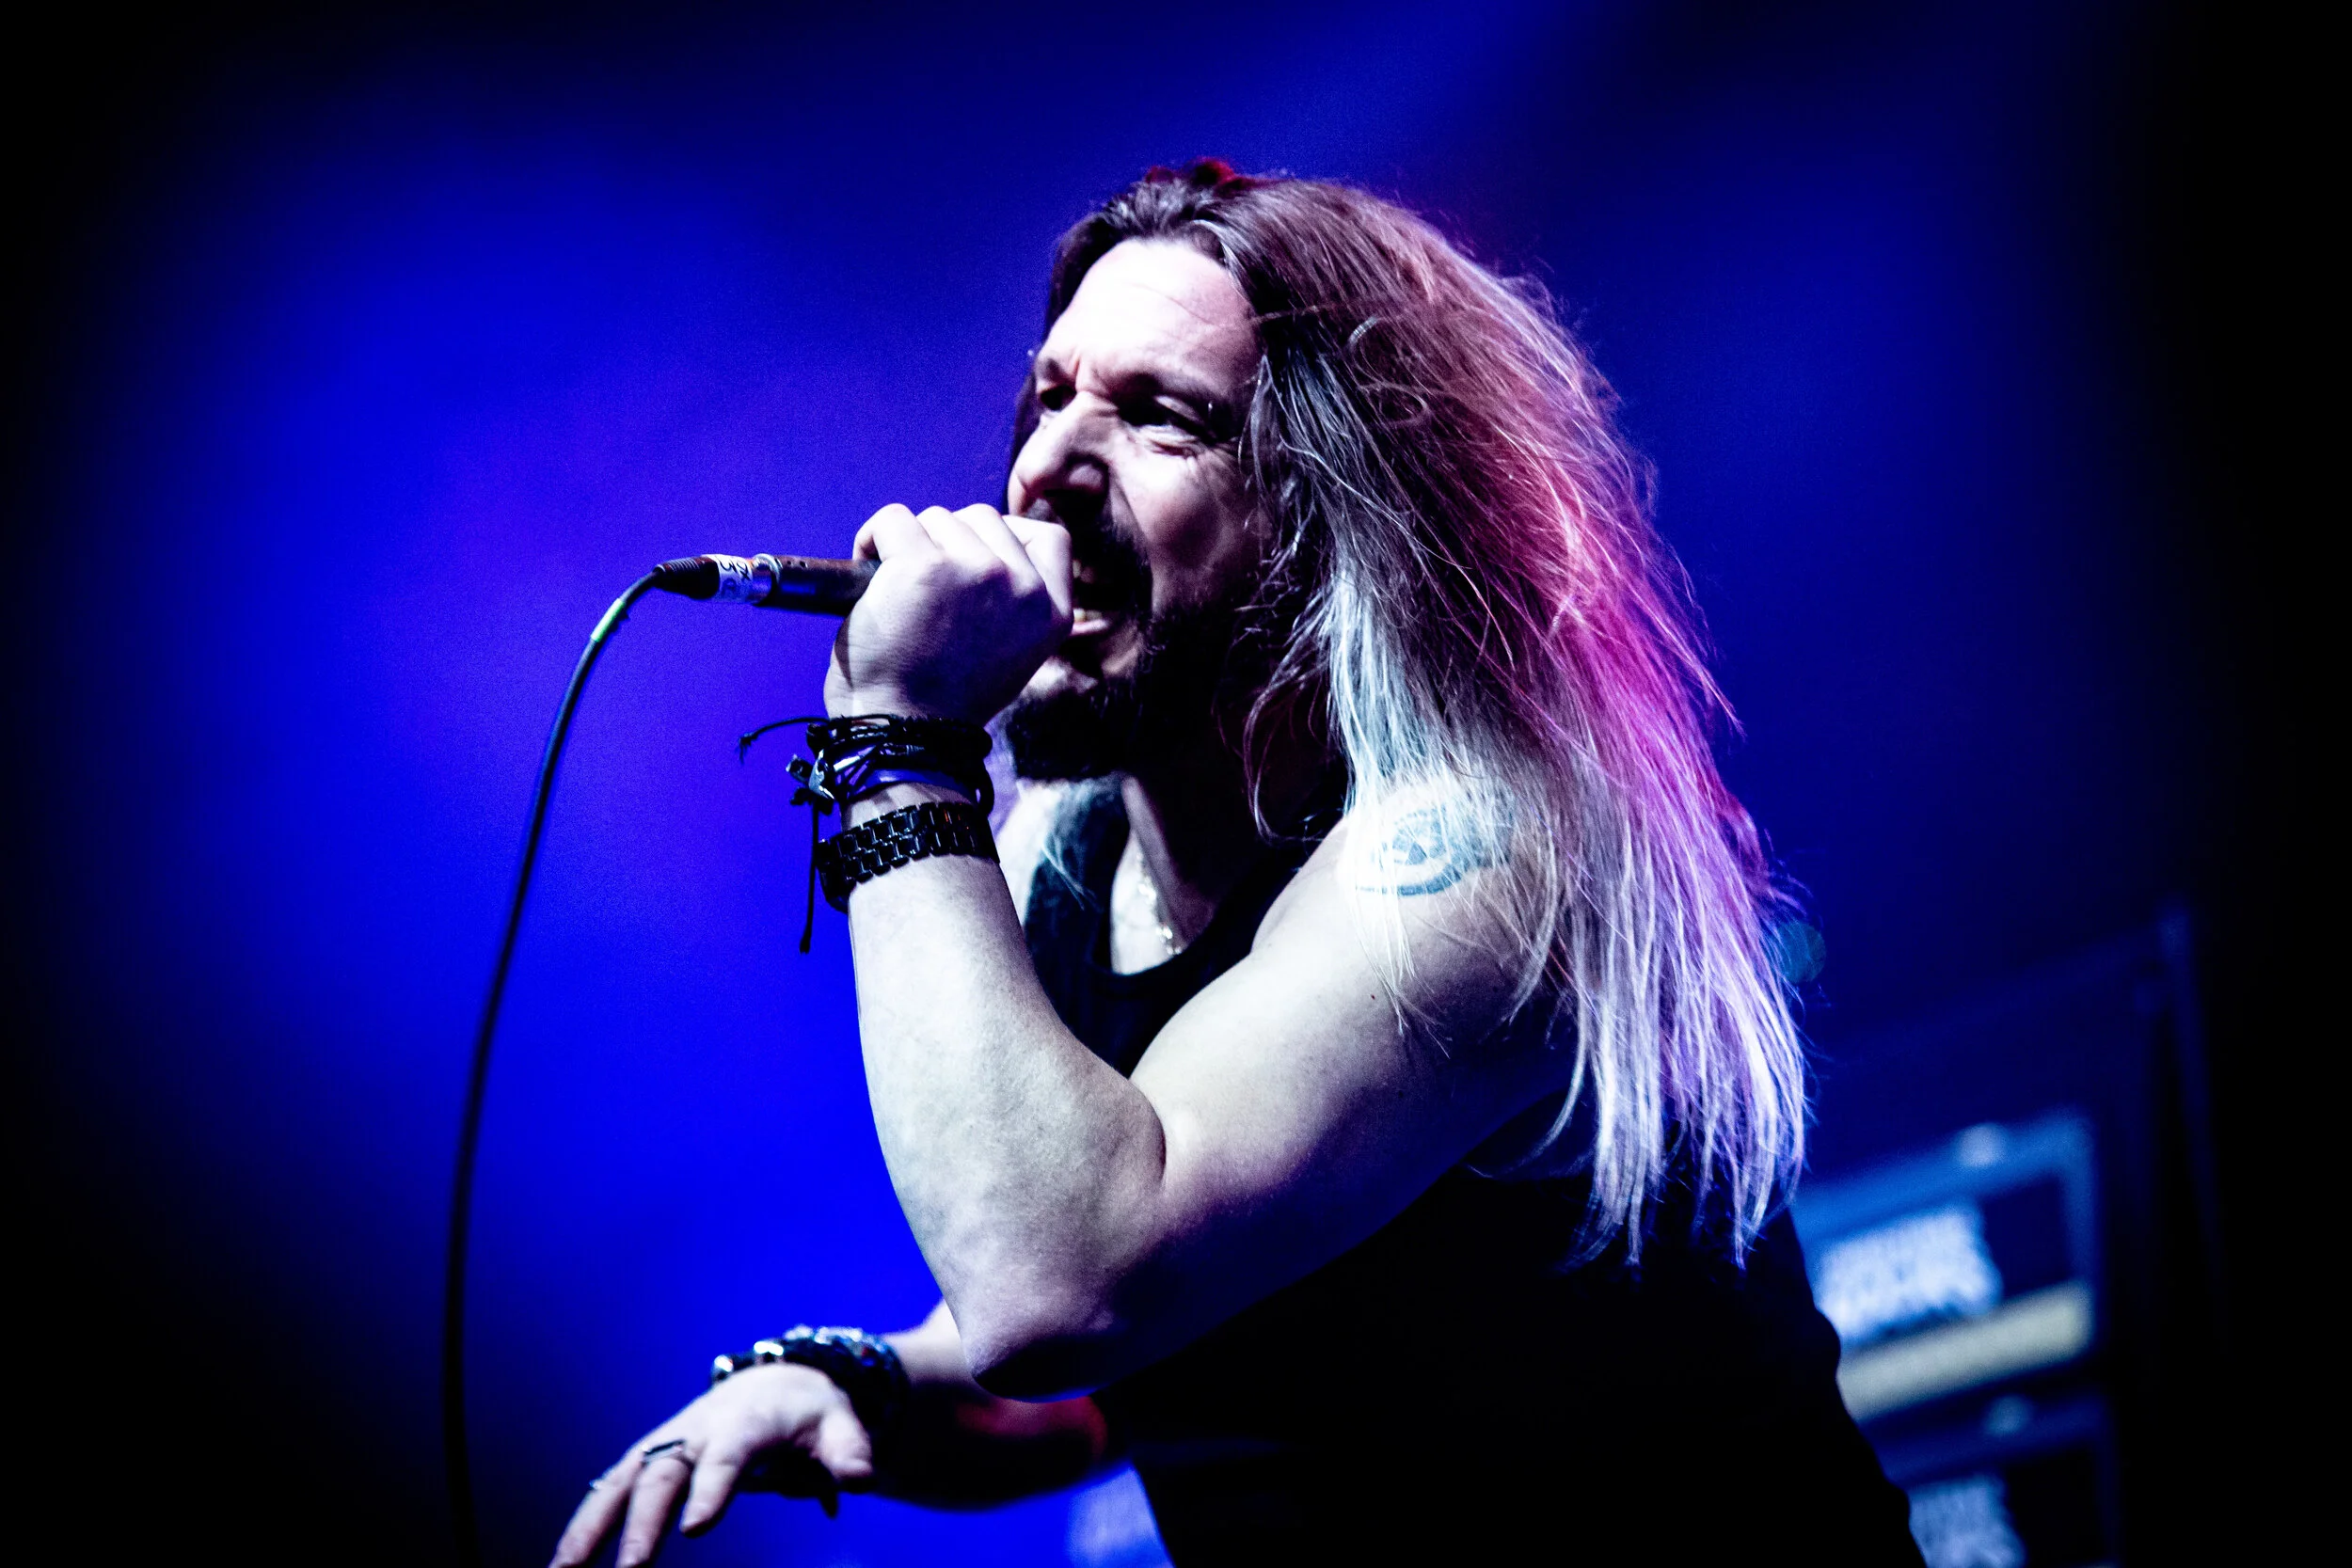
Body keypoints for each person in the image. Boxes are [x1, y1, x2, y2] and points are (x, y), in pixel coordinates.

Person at [550, 160, 1920, 1567]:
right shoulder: (1063, 864)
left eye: (1161, 416)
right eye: (1050, 397)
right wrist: (854, 1380)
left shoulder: (1485, 853)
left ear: (1335, 515)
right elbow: (1103, 1376)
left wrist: (899, 747)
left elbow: (1062, 1286)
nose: (1049, 466)